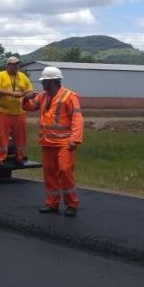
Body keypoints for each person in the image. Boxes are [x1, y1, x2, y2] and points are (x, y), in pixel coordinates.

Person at [22, 66, 83, 217]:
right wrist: (26, 98)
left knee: (64, 171)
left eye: (44, 82)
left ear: (53, 81)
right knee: (49, 174)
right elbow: (30, 107)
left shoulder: (69, 96)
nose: (42, 84)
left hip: (64, 143)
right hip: (47, 143)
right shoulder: (43, 96)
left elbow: (77, 119)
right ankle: (52, 203)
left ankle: (71, 204)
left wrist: (75, 139)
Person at [0, 56, 33, 166]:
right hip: (2, 111)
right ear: (7, 65)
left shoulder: (23, 76)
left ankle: (19, 157)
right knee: (1, 136)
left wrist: (28, 94)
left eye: (17, 64)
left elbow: (29, 90)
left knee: (21, 136)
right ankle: (0, 158)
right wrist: (12, 94)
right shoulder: (1, 75)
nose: (15, 66)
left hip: (19, 112)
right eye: (13, 64)